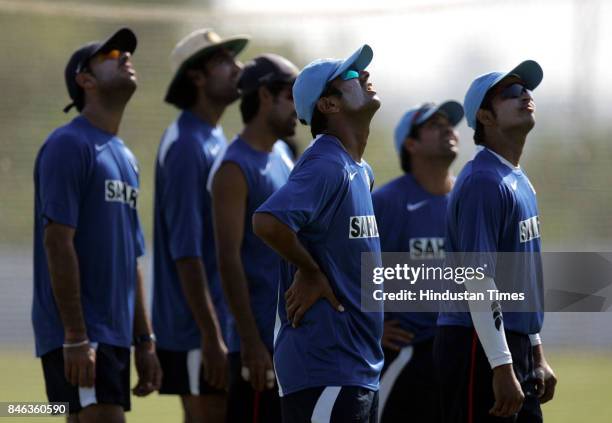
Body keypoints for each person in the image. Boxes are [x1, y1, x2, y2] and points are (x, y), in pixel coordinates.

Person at [33, 28, 161, 423]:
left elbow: (132, 256)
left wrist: (144, 339)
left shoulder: (125, 156)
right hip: (84, 335)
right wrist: (75, 335)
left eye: (126, 52)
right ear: (84, 80)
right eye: (112, 54)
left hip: (113, 335)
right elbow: (57, 242)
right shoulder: (69, 145)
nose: (125, 57)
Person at [253, 44, 383, 423]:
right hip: (324, 367)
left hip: (356, 369)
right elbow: (267, 221)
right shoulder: (327, 163)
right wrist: (310, 271)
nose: (364, 77)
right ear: (328, 105)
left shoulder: (360, 170)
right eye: (351, 76)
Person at [434, 61, 558, 422]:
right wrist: (501, 366)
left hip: (507, 343)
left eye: (527, 90)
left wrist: (535, 351)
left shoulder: (516, 179)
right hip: (476, 345)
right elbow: (478, 280)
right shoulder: (483, 182)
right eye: (512, 93)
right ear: (485, 117)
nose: (526, 97)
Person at [151, 28, 249, 423]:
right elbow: (186, 251)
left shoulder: (214, 137)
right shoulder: (186, 144)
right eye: (224, 61)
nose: (238, 67)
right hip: (195, 332)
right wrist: (210, 336)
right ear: (196, 76)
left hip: (218, 326)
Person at [210, 53, 298, 423]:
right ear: (266, 96)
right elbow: (228, 259)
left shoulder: (283, 155)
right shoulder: (234, 166)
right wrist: (249, 342)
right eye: (292, 95)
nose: (300, 106)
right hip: (258, 344)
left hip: (289, 341)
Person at [372, 101, 464, 422]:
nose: (447, 129)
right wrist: (373, 327)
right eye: (433, 125)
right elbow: (346, 268)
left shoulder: (470, 198)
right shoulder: (387, 202)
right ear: (410, 144)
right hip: (408, 357)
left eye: (449, 124)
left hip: (462, 356)